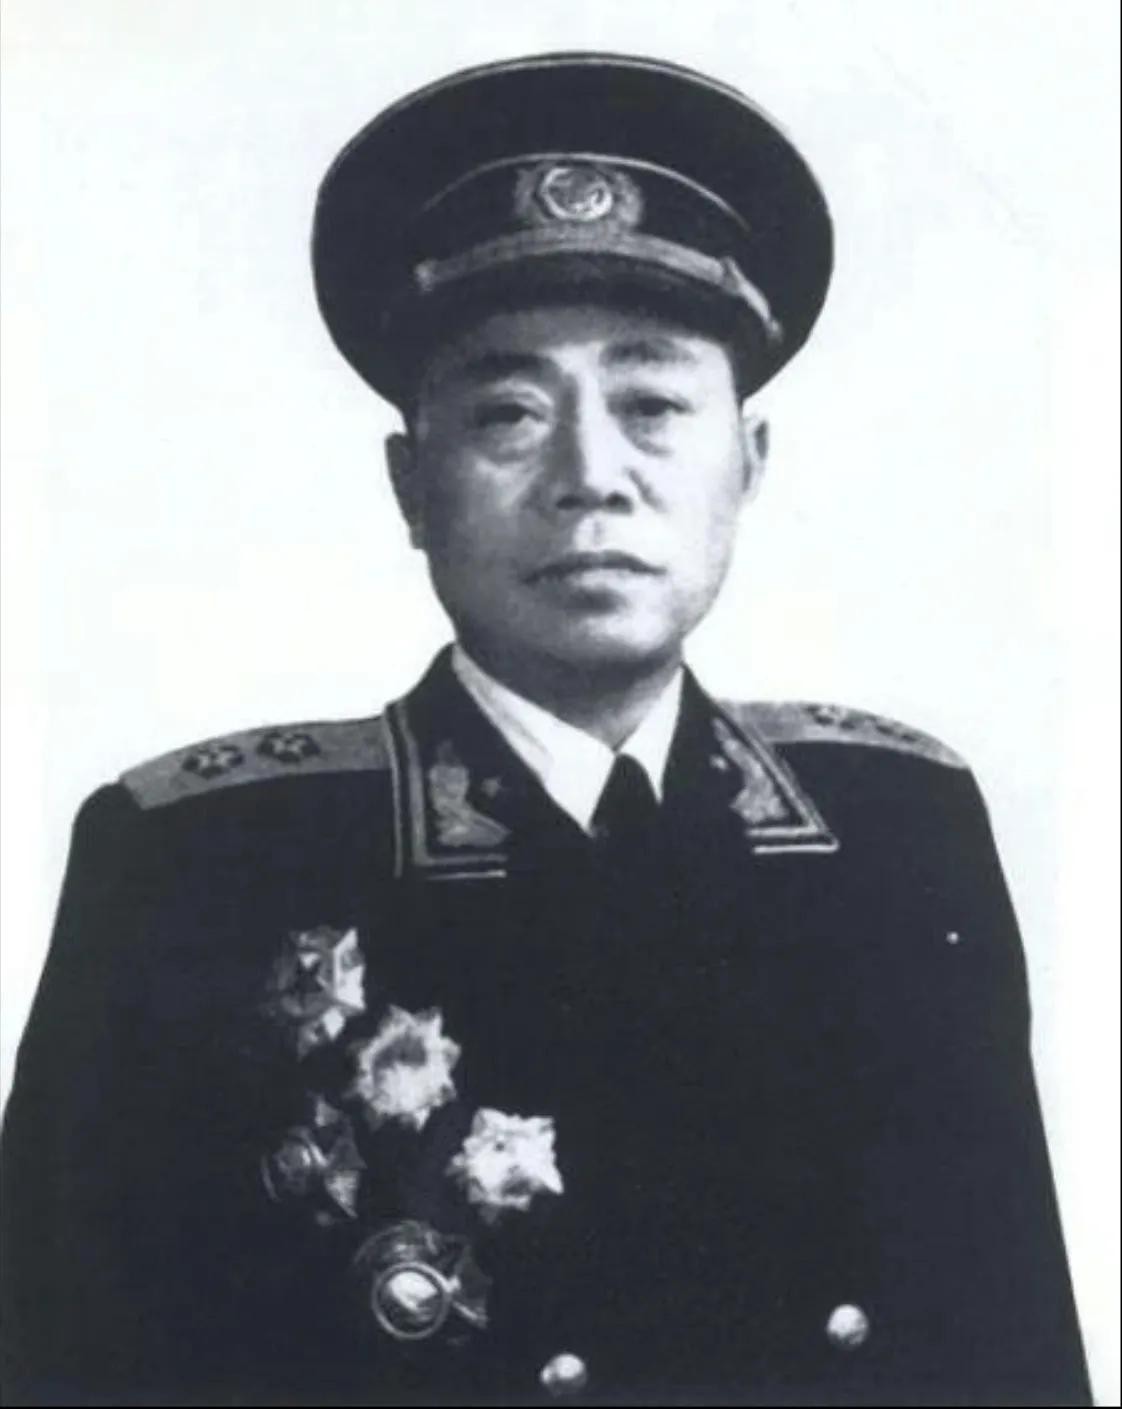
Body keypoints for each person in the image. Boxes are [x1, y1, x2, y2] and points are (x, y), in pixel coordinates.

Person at [0, 52, 1091, 1407]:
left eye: (652, 406)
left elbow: (1009, 1348)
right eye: (510, 413)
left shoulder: (897, 832)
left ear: (748, 464)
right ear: (412, 485)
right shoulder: (204, 862)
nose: (589, 476)